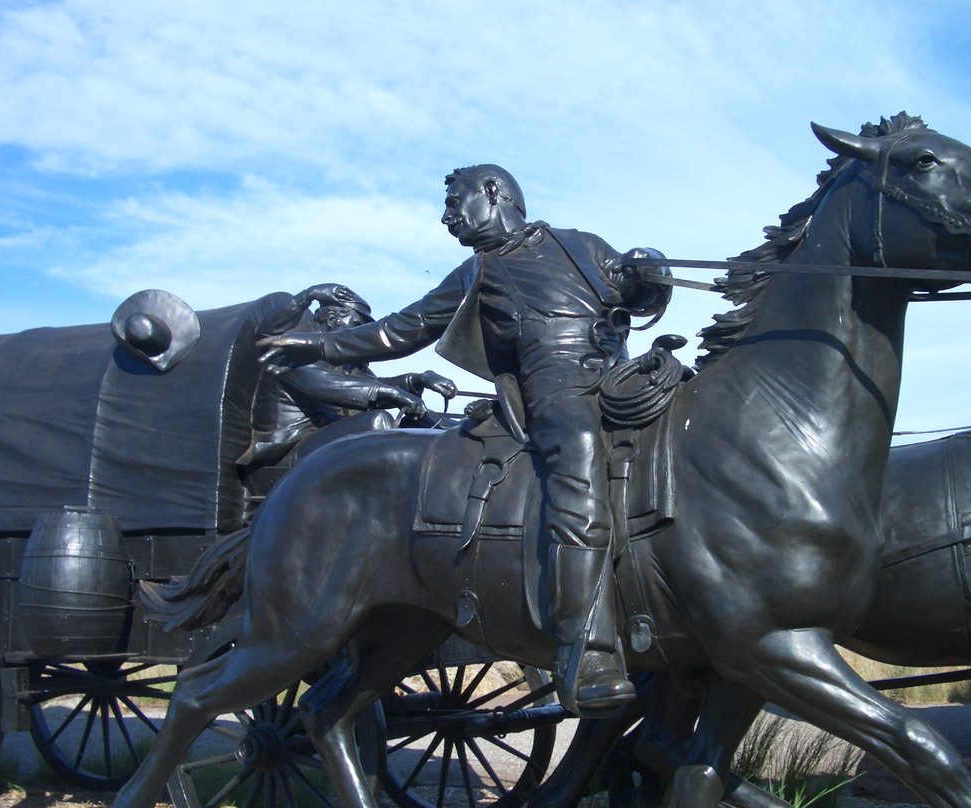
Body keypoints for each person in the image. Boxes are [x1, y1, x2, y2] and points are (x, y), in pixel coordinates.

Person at [258, 166, 668, 715]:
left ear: (493, 194)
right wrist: (316, 344)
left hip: (620, 379)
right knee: (579, 455)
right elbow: (396, 331)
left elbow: (637, 293)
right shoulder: (476, 271)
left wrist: (650, 270)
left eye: (455, 201)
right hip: (555, 394)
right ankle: (587, 651)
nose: (447, 216)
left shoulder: (581, 246)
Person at [240, 283, 456, 468]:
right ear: (333, 318)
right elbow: (337, 387)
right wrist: (309, 294)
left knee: (419, 422)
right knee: (376, 422)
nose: (358, 337)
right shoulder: (292, 350)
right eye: (356, 327)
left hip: (325, 438)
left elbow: (372, 383)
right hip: (291, 448)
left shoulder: (343, 361)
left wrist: (419, 379)